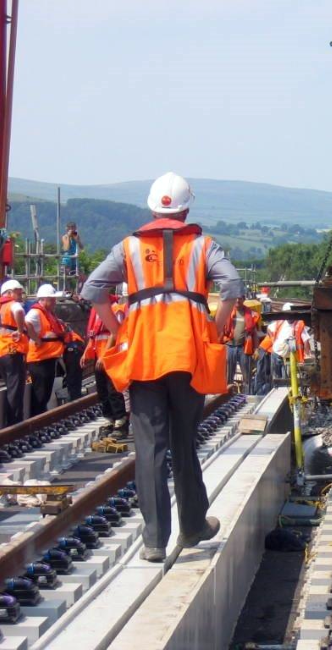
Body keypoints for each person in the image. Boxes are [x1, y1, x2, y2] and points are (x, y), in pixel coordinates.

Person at [81, 172, 242, 563]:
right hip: (187, 356)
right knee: (183, 442)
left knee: (149, 447)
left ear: (152, 207)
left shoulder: (129, 248)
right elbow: (233, 286)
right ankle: (192, 526)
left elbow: (91, 290)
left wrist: (120, 330)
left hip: (143, 357)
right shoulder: (203, 245)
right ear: (186, 209)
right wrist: (214, 327)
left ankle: (154, 540)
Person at [82, 287, 127, 436]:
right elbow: (94, 335)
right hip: (99, 354)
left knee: (113, 389)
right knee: (102, 390)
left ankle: (120, 421)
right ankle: (109, 419)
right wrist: (86, 354)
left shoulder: (114, 308)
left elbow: (116, 333)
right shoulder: (97, 311)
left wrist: (105, 355)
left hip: (110, 355)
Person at [25, 284, 66, 416]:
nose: (54, 302)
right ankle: (36, 422)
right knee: (40, 394)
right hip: (39, 359)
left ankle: (41, 420)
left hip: (48, 358)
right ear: (43, 299)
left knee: (46, 393)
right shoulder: (36, 312)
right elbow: (26, 323)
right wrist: (36, 339)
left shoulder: (48, 313)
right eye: (52, 299)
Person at [0, 280, 28, 425]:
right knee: (15, 389)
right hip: (12, 351)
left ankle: (9, 424)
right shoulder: (13, 304)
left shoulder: (1, 306)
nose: (20, 295)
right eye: (18, 292)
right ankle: (14, 425)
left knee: (10, 387)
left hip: (2, 352)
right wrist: (20, 330)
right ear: (9, 293)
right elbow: (19, 311)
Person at [223, 297, 259, 393]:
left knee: (247, 376)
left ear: (244, 299)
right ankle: (227, 396)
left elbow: (254, 333)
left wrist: (256, 349)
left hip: (243, 348)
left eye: (240, 299)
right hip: (229, 347)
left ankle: (247, 396)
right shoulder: (227, 312)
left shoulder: (249, 314)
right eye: (236, 298)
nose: (237, 300)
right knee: (228, 376)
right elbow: (220, 329)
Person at [62, 326, 85, 402]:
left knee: (73, 380)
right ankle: (76, 400)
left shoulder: (56, 324)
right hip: (74, 349)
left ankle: (76, 402)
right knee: (74, 379)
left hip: (73, 350)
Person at [61, 222, 84, 293]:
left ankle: (78, 292)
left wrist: (77, 240)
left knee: (81, 277)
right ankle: (67, 291)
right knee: (66, 277)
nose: (72, 230)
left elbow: (81, 247)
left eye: (74, 228)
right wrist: (68, 237)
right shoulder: (64, 237)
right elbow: (66, 248)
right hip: (67, 259)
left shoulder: (76, 236)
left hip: (75, 259)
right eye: (71, 228)